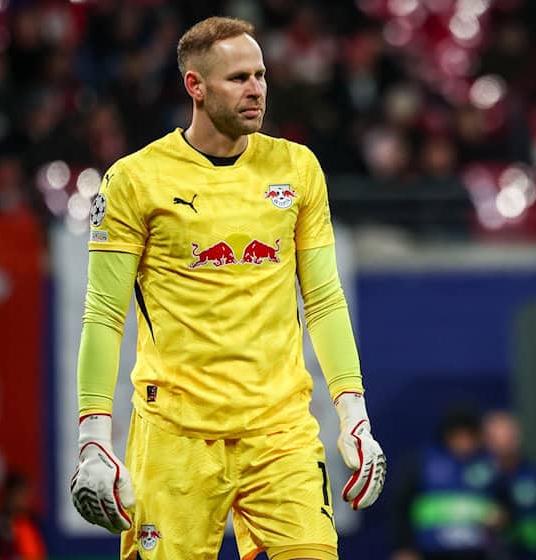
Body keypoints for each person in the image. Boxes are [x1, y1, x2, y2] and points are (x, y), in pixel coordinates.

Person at [68, 17, 386, 560]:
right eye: (239, 77)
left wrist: (354, 414)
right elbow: (103, 314)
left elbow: (326, 300)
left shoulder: (298, 168)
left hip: (280, 431)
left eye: (260, 75)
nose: (257, 89)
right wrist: (93, 437)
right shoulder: (134, 181)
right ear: (196, 86)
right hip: (176, 435)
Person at [392, 406, 504, 560]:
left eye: (470, 435)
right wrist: (403, 548)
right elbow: (401, 508)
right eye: (459, 435)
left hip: (478, 553)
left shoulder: (490, 465)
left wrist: (501, 516)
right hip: (432, 553)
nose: (465, 441)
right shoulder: (422, 464)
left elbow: (505, 505)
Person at [482, 411, 536, 560]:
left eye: (508, 436)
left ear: (517, 437)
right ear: (485, 441)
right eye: (495, 438)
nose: (502, 444)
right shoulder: (476, 479)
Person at [0, 472, 47, 560]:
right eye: (19, 494)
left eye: (25, 495)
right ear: (8, 495)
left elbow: (36, 554)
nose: (24, 500)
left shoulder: (28, 525)